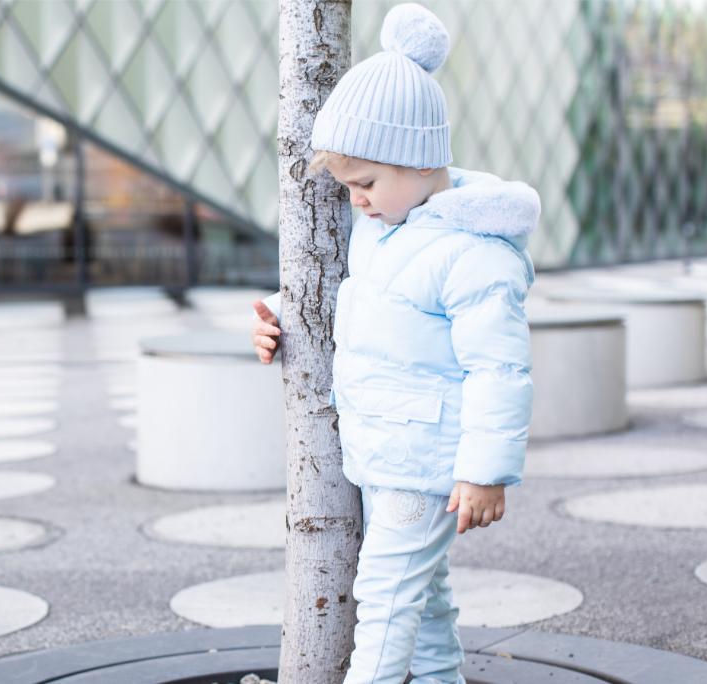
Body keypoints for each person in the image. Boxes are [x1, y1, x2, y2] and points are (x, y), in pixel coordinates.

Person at [251, 4, 539, 683]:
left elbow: (500, 368)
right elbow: (363, 300)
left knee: (383, 599)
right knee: (425, 599)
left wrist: (486, 471)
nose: (356, 200)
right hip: (385, 450)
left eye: (366, 183)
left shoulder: (474, 253)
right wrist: (281, 316)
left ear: (419, 159)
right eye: (349, 186)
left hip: (424, 460)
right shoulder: (385, 227)